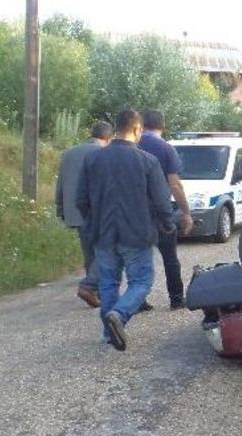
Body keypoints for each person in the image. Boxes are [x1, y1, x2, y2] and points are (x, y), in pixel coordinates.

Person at [76, 109, 175, 351]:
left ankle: (108, 334)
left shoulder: (92, 159)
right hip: (137, 234)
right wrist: (168, 223)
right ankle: (119, 315)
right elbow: (162, 201)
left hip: (103, 234)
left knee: (108, 283)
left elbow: (80, 199)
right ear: (137, 129)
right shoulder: (147, 161)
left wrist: (94, 220)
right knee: (141, 281)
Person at [138, 110, 193, 310]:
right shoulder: (166, 148)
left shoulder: (132, 145)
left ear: (141, 125)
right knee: (170, 257)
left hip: (134, 212)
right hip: (160, 210)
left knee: (140, 256)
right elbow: (175, 184)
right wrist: (186, 212)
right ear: (163, 126)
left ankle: (139, 299)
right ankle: (176, 299)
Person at [55, 121, 112, 308]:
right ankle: (94, 289)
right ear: (108, 137)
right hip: (98, 211)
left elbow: (61, 183)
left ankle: (92, 289)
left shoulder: (69, 153)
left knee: (89, 252)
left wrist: (61, 208)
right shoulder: (103, 153)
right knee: (105, 251)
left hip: (75, 211)